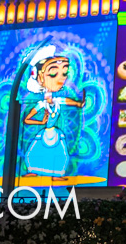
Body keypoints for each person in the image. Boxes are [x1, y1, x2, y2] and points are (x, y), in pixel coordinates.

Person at [20, 46, 85, 178]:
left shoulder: (58, 101)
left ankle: (57, 173)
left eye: (64, 73)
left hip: (54, 132)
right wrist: (41, 121)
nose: (61, 79)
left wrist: (79, 103)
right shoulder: (41, 104)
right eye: (53, 74)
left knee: (60, 152)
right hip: (46, 131)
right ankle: (33, 170)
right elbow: (26, 119)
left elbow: (68, 101)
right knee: (35, 151)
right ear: (39, 77)